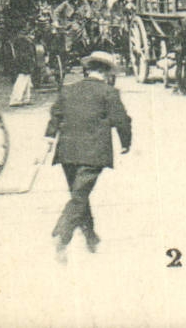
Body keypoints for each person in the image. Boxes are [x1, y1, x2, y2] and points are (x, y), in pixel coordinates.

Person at [46, 51, 132, 262]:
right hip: (93, 154)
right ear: (104, 72)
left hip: (66, 153)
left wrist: (49, 137)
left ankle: (91, 237)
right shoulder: (109, 93)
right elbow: (121, 120)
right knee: (80, 196)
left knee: (79, 193)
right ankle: (61, 234)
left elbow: (56, 115)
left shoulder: (68, 90)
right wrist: (126, 143)